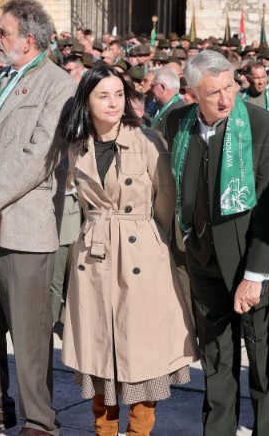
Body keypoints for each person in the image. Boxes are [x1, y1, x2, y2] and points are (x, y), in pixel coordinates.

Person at [0, 0, 75, 436]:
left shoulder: (57, 84)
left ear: (29, 40)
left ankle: (39, 420)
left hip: (22, 224)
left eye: (2, 32)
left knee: (28, 331)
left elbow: (39, 156)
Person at [58, 65, 197, 435]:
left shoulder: (147, 140)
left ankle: (139, 432)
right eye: (103, 95)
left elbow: (166, 199)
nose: (114, 102)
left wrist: (150, 243)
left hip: (140, 254)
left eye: (119, 94)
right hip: (93, 254)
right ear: (86, 102)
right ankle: (104, 430)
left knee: (142, 352)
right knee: (97, 348)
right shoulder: (75, 146)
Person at [164, 50, 269, 436]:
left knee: (263, 362)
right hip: (203, 261)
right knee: (217, 359)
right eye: (213, 92)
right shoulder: (176, 124)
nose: (225, 99)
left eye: (230, 87)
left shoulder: (264, 127)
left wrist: (256, 273)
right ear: (191, 94)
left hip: (252, 264)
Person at [149, 66, 184, 131]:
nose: (151, 90)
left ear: (163, 88)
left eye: (152, 86)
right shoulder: (164, 107)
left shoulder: (177, 112)